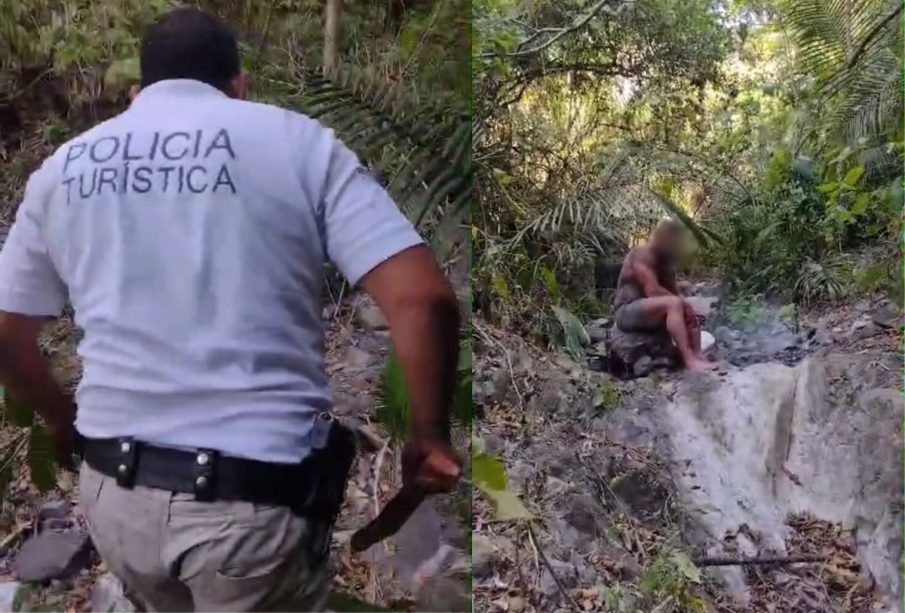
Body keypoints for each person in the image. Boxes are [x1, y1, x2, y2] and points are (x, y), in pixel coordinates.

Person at [0, 8, 462, 611]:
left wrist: (62, 421)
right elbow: (423, 298)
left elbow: (7, 330)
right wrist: (427, 434)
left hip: (114, 497)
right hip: (253, 508)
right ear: (240, 87)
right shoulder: (296, 142)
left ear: (138, 94)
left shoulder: (61, 169)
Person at [613, 219, 715, 372]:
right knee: (674, 304)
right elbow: (652, 291)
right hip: (627, 311)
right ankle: (689, 360)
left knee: (687, 309)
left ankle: (697, 354)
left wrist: (688, 309)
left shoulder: (667, 262)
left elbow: (675, 292)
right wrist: (682, 304)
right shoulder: (641, 254)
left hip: (651, 313)